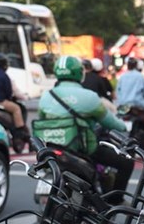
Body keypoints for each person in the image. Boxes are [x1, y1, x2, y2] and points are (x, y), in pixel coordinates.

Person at [35, 56, 133, 204]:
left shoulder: (46, 97)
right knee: (127, 163)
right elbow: (110, 122)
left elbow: (42, 119)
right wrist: (123, 126)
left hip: (51, 148)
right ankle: (115, 201)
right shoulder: (90, 97)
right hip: (83, 149)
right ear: (80, 73)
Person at [116, 57, 144, 142]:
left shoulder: (122, 76)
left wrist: (120, 102)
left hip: (124, 105)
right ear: (136, 65)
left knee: (117, 117)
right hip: (138, 103)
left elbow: (118, 91)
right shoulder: (140, 76)